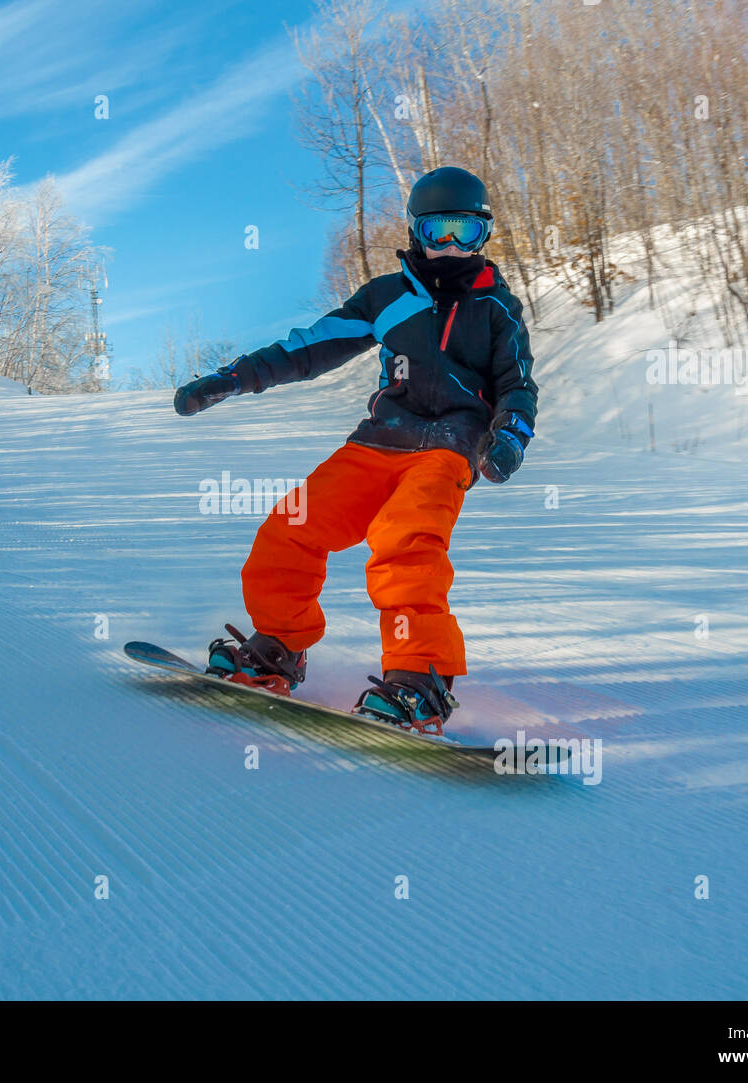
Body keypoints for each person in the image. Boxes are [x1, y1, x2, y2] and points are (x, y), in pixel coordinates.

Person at [173, 166, 538, 734]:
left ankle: (421, 677)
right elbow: (309, 348)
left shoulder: (498, 308)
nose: (449, 247)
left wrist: (510, 435)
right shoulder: (388, 297)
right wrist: (233, 378)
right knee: (291, 526)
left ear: (483, 235)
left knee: (405, 544)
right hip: (376, 443)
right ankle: (279, 647)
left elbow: (518, 383)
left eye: (464, 232)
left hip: (447, 450)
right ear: (416, 232)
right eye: (437, 231)